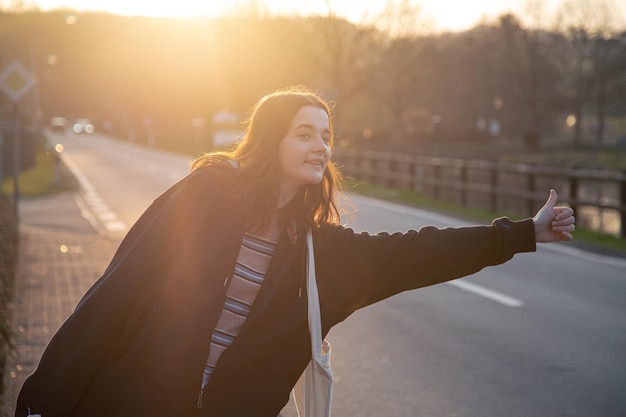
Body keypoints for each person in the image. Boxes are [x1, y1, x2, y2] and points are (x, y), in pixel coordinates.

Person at [15, 86, 575, 417]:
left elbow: (415, 254)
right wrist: (46, 398)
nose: (320, 146)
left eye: (327, 135)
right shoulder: (206, 194)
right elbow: (117, 291)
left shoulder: (317, 251)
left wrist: (522, 233)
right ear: (271, 139)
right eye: (305, 132)